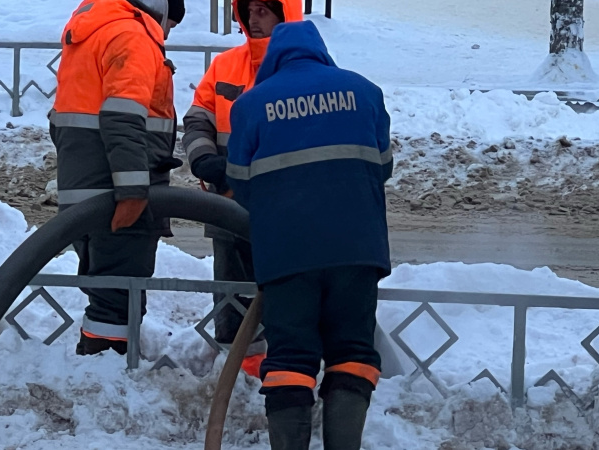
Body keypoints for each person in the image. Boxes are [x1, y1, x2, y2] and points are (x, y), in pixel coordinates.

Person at [226, 21, 393, 450]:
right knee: (353, 353)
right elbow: (382, 167)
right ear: (319, 52)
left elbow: (241, 184)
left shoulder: (250, 105)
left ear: (273, 59)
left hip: (287, 254)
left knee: (290, 361)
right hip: (358, 249)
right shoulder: (364, 92)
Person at [48, 0, 185, 356]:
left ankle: (99, 371)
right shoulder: (132, 35)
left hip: (87, 194)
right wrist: (133, 191)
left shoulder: (90, 33)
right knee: (117, 300)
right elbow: (122, 117)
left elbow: (61, 120)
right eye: (171, 24)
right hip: (118, 198)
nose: (167, 35)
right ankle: (106, 374)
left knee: (107, 294)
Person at [181, 0, 302, 378]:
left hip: (280, 206)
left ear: (286, 15)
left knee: (282, 288)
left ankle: (284, 366)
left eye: (264, 10)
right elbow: (198, 116)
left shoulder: (300, 70)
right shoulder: (225, 64)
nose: (253, 19)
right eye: (248, 10)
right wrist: (202, 159)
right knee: (232, 289)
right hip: (227, 204)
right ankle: (239, 368)